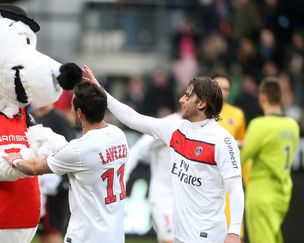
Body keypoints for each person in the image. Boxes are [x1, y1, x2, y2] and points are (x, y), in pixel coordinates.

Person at [83, 65, 244, 243]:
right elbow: (134, 119)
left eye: (188, 95)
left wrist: (234, 231)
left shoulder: (223, 141)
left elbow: (235, 188)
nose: (181, 100)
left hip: (208, 236)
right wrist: (101, 91)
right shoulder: (175, 129)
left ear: (202, 103)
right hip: (181, 234)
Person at [4, 82, 129, 243]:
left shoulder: (79, 150)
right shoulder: (118, 134)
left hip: (86, 235)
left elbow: (35, 168)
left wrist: (16, 160)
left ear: (79, 112)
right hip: (115, 234)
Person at [240, 78, 300, 243]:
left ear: (262, 98)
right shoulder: (292, 125)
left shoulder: (259, 125)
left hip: (261, 192)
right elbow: (272, 148)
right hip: (282, 193)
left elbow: (240, 159)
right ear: (281, 98)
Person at [125, 112, 181, 243]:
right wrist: (122, 179)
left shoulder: (200, 126)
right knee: (169, 239)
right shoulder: (166, 125)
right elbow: (137, 150)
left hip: (186, 196)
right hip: (164, 195)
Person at [31, 104, 75, 243]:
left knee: (51, 232)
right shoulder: (28, 115)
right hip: (35, 181)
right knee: (40, 233)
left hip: (53, 185)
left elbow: (69, 150)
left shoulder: (59, 120)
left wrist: (62, 182)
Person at [211, 74, 247, 230]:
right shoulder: (199, 110)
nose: (222, 91)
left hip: (228, 177)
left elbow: (243, 145)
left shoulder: (237, 114)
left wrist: (246, 177)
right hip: (206, 176)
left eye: (226, 89)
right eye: (219, 87)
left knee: (232, 229)